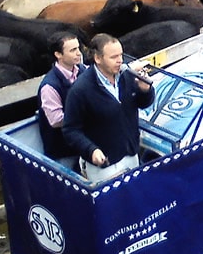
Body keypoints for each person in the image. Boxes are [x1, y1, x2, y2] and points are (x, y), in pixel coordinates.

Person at [62, 34, 154, 182]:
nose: (120, 61)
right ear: (98, 59)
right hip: (105, 166)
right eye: (114, 57)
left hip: (131, 154)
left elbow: (143, 104)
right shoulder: (81, 90)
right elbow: (70, 130)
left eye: (121, 55)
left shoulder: (127, 76)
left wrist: (145, 90)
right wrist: (91, 150)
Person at [37, 32, 85, 168]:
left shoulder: (83, 70)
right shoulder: (49, 86)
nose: (79, 53)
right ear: (58, 54)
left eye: (78, 48)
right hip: (64, 150)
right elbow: (56, 120)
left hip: (82, 142)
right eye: (73, 50)